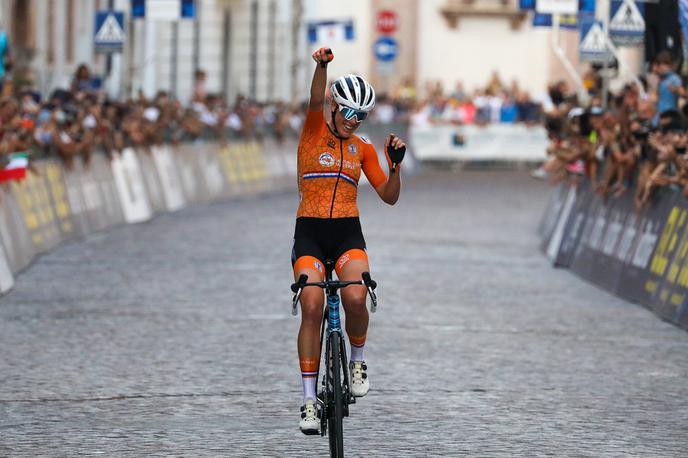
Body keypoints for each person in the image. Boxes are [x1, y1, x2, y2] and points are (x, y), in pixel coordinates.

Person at [292, 47, 405, 434]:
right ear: (335, 108)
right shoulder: (312, 131)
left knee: (357, 295)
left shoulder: (363, 149)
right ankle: (309, 400)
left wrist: (395, 166)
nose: (355, 122)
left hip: (346, 234)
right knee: (311, 305)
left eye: (363, 116)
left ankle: (357, 358)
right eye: (350, 113)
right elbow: (313, 97)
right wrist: (322, 67)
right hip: (309, 231)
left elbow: (388, 196)